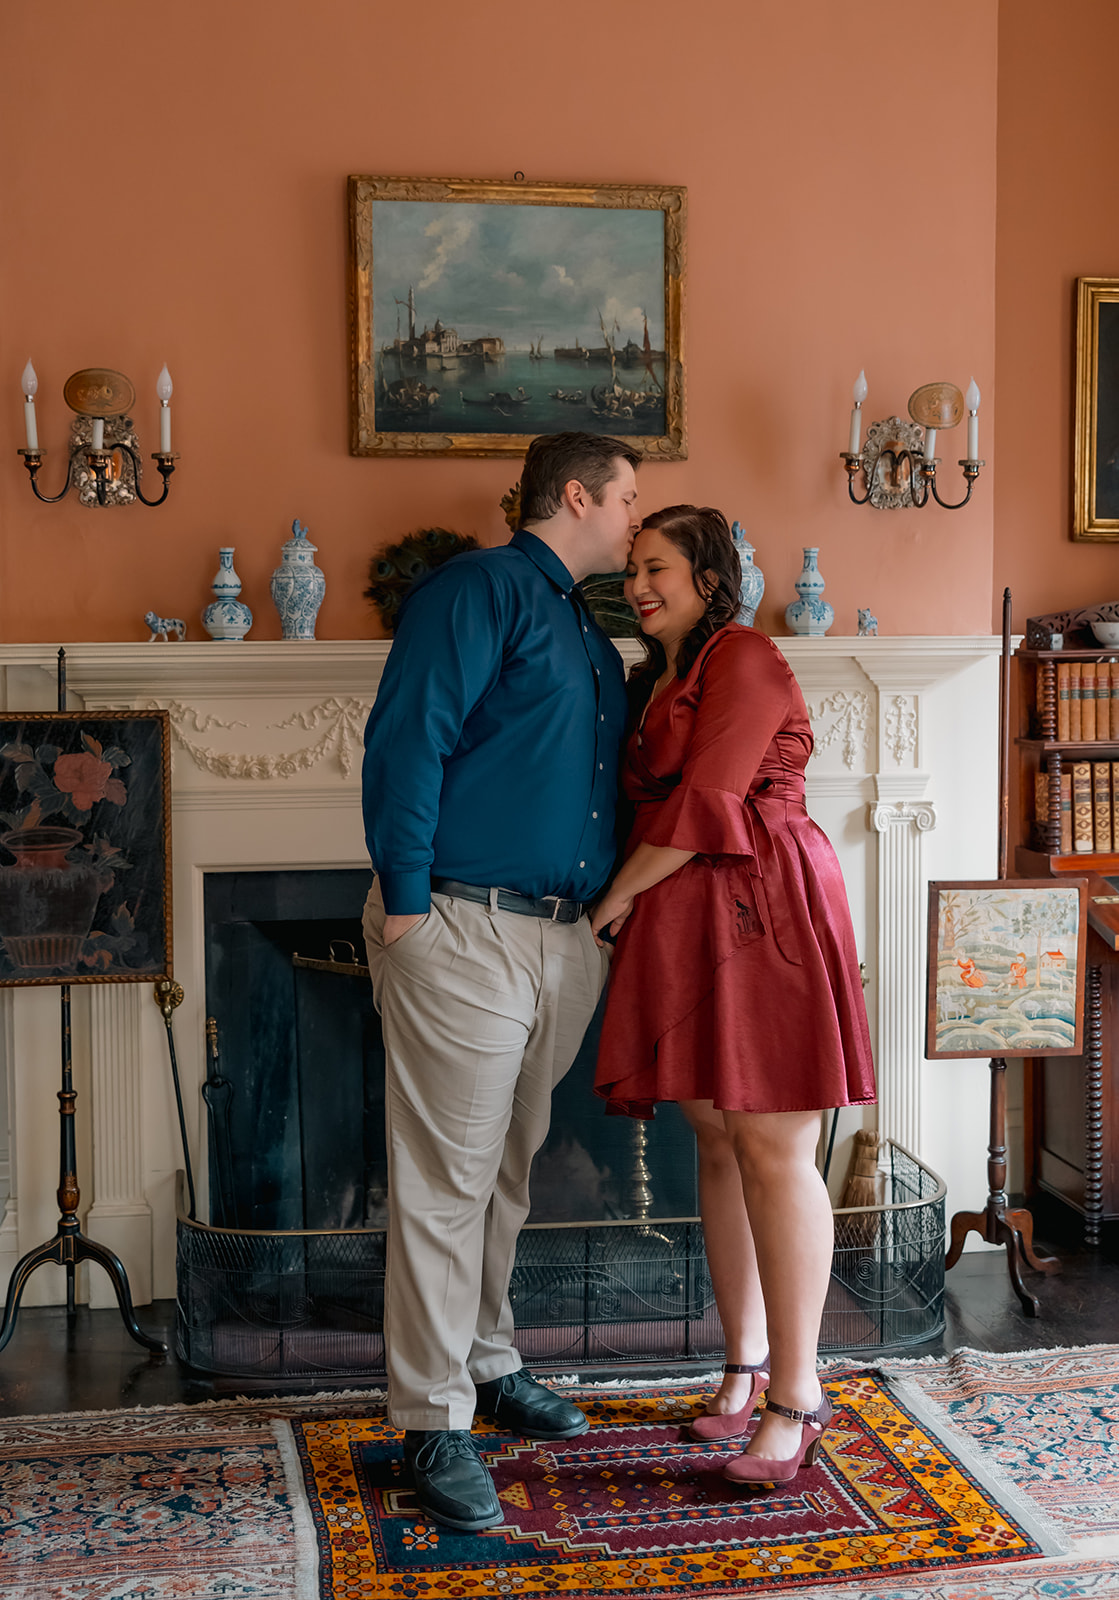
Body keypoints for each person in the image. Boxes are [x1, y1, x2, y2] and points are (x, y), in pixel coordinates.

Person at [361, 431, 641, 1532]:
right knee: (444, 1182)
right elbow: (406, 742)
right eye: (627, 500)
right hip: (462, 929)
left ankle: (483, 1361)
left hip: (561, 937)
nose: (635, 520)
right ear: (574, 495)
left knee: (507, 1173)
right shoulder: (474, 589)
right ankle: (430, 1420)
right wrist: (409, 906)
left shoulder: (582, 621)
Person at [591, 504, 875, 1487]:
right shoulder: (658, 675)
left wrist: (613, 900)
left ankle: (800, 1397)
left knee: (773, 1143)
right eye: (632, 568)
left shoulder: (745, 656)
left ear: (710, 576)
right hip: (698, 913)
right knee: (716, 1135)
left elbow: (710, 799)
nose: (638, 584)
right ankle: (745, 1365)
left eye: (657, 566)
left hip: (770, 910)